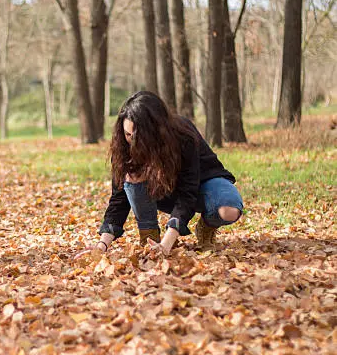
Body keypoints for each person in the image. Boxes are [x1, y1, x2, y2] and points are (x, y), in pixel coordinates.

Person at [76, 91, 243, 258]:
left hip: (205, 183)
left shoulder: (183, 134)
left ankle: (207, 226)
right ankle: (149, 238)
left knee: (229, 210)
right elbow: (119, 198)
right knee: (132, 174)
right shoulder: (123, 147)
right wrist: (102, 245)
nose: (132, 141)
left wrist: (167, 242)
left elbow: (188, 190)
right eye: (128, 134)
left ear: (156, 130)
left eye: (138, 136)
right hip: (165, 190)